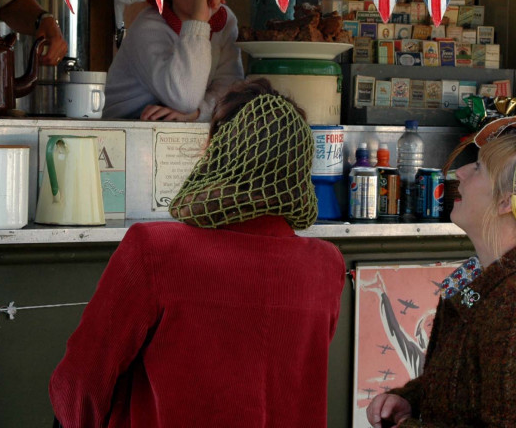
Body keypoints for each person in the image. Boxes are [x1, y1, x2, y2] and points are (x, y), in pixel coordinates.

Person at [50, 78, 345, 428]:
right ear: (298, 166)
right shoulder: (327, 266)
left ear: (216, 151)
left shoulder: (156, 250)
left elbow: (81, 382)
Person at [367, 115, 516, 428]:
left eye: (478, 168)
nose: (459, 172)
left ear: (505, 201)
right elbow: (467, 383)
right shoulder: (482, 281)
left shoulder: (509, 306)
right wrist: (412, 399)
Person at [103, 0, 244, 122]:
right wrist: (198, 23)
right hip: (122, 131)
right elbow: (184, 97)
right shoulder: (148, 28)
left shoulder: (226, 21)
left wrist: (198, 113)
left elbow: (230, 90)